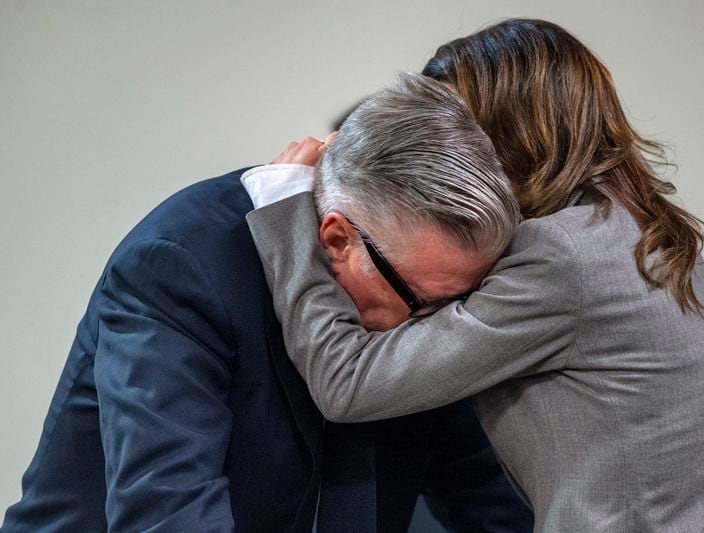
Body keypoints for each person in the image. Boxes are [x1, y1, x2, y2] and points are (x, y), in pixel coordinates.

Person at [246, 19, 704, 532]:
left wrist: (284, 203)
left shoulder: (563, 255)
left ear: (505, 126)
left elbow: (350, 385)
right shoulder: (639, 230)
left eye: (450, 126)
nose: (442, 150)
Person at [2, 74, 533, 532]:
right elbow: (166, 512)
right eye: (422, 304)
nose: (435, 329)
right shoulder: (183, 266)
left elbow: (480, 493)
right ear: (336, 240)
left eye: (458, 306)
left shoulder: (422, 293)